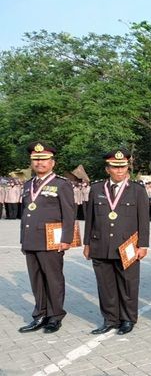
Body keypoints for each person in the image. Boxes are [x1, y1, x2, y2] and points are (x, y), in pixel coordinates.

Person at [83, 149, 149, 335]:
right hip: (101, 245)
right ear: (107, 169)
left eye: (123, 167)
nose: (119, 171)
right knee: (105, 285)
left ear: (127, 167)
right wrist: (87, 244)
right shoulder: (96, 189)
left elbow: (144, 221)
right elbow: (90, 219)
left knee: (128, 284)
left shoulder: (137, 190)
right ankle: (110, 319)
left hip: (127, 246)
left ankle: (128, 319)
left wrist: (143, 245)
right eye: (115, 167)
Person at [18, 142, 76, 334]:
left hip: (52, 240)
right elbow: (27, 213)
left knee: (53, 279)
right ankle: (40, 314)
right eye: (36, 160)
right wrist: (23, 239)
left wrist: (66, 239)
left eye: (44, 160)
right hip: (31, 240)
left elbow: (69, 213)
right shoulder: (28, 185)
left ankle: (55, 315)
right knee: (36, 280)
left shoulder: (62, 184)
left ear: (53, 162)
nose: (40, 163)